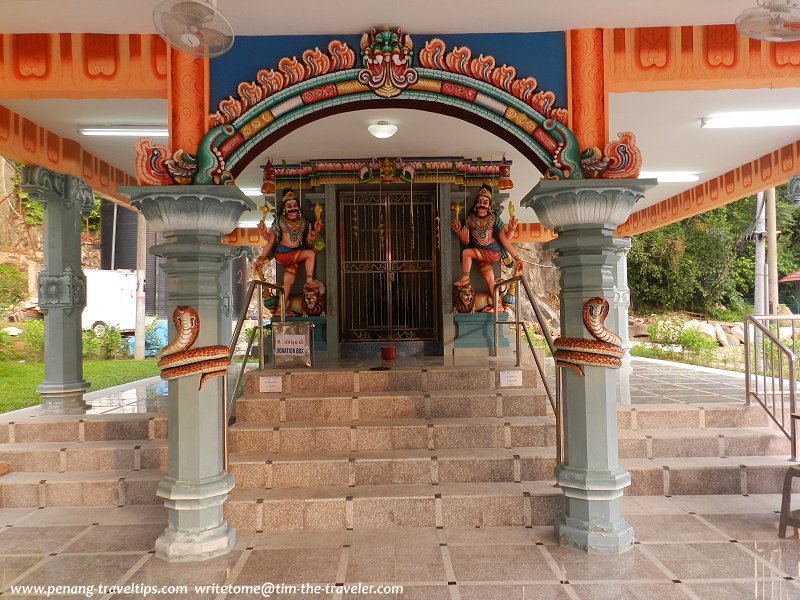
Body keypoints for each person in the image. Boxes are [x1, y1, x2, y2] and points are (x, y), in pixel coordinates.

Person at [451, 184, 522, 303]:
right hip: (480, 254)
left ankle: (466, 276)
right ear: (475, 204)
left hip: (493, 251)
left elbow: (504, 239)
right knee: (490, 281)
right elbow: (466, 240)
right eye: (479, 201)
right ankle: (498, 305)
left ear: (490, 205)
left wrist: (516, 257)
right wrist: (459, 231)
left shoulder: (493, 218)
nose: (481, 204)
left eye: (485, 202)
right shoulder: (470, 219)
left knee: (466, 253)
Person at [254, 188, 323, 299]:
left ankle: (281, 309)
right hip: (282, 254)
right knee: (310, 254)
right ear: (284, 208)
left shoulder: (304, 222)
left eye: (295, 205)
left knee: (288, 281)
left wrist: (311, 237)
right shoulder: (280, 221)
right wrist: (262, 257)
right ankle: (309, 279)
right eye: (289, 206)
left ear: (299, 207)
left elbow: (307, 243)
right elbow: (271, 240)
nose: (293, 208)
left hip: (295, 254)